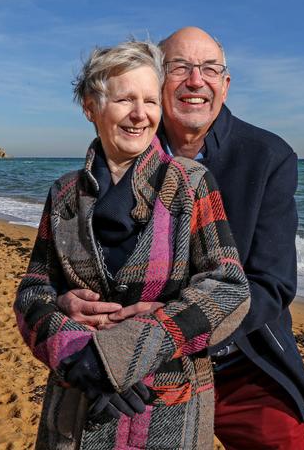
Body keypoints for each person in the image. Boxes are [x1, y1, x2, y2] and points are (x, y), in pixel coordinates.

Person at [57, 27, 304, 449]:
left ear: (225, 84)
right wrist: (66, 300)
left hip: (241, 356)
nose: (196, 81)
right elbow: (84, 259)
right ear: (156, 78)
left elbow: (272, 286)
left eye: (210, 69)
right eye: (179, 67)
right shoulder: (129, 145)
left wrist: (172, 326)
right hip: (140, 360)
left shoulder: (268, 156)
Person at [14, 39, 250, 449]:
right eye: (125, 99)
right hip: (77, 403)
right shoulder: (65, 193)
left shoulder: (191, 183)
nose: (140, 114)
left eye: (150, 100)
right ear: (91, 106)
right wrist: (77, 358)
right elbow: (34, 292)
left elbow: (229, 288)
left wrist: (121, 357)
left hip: (168, 406)